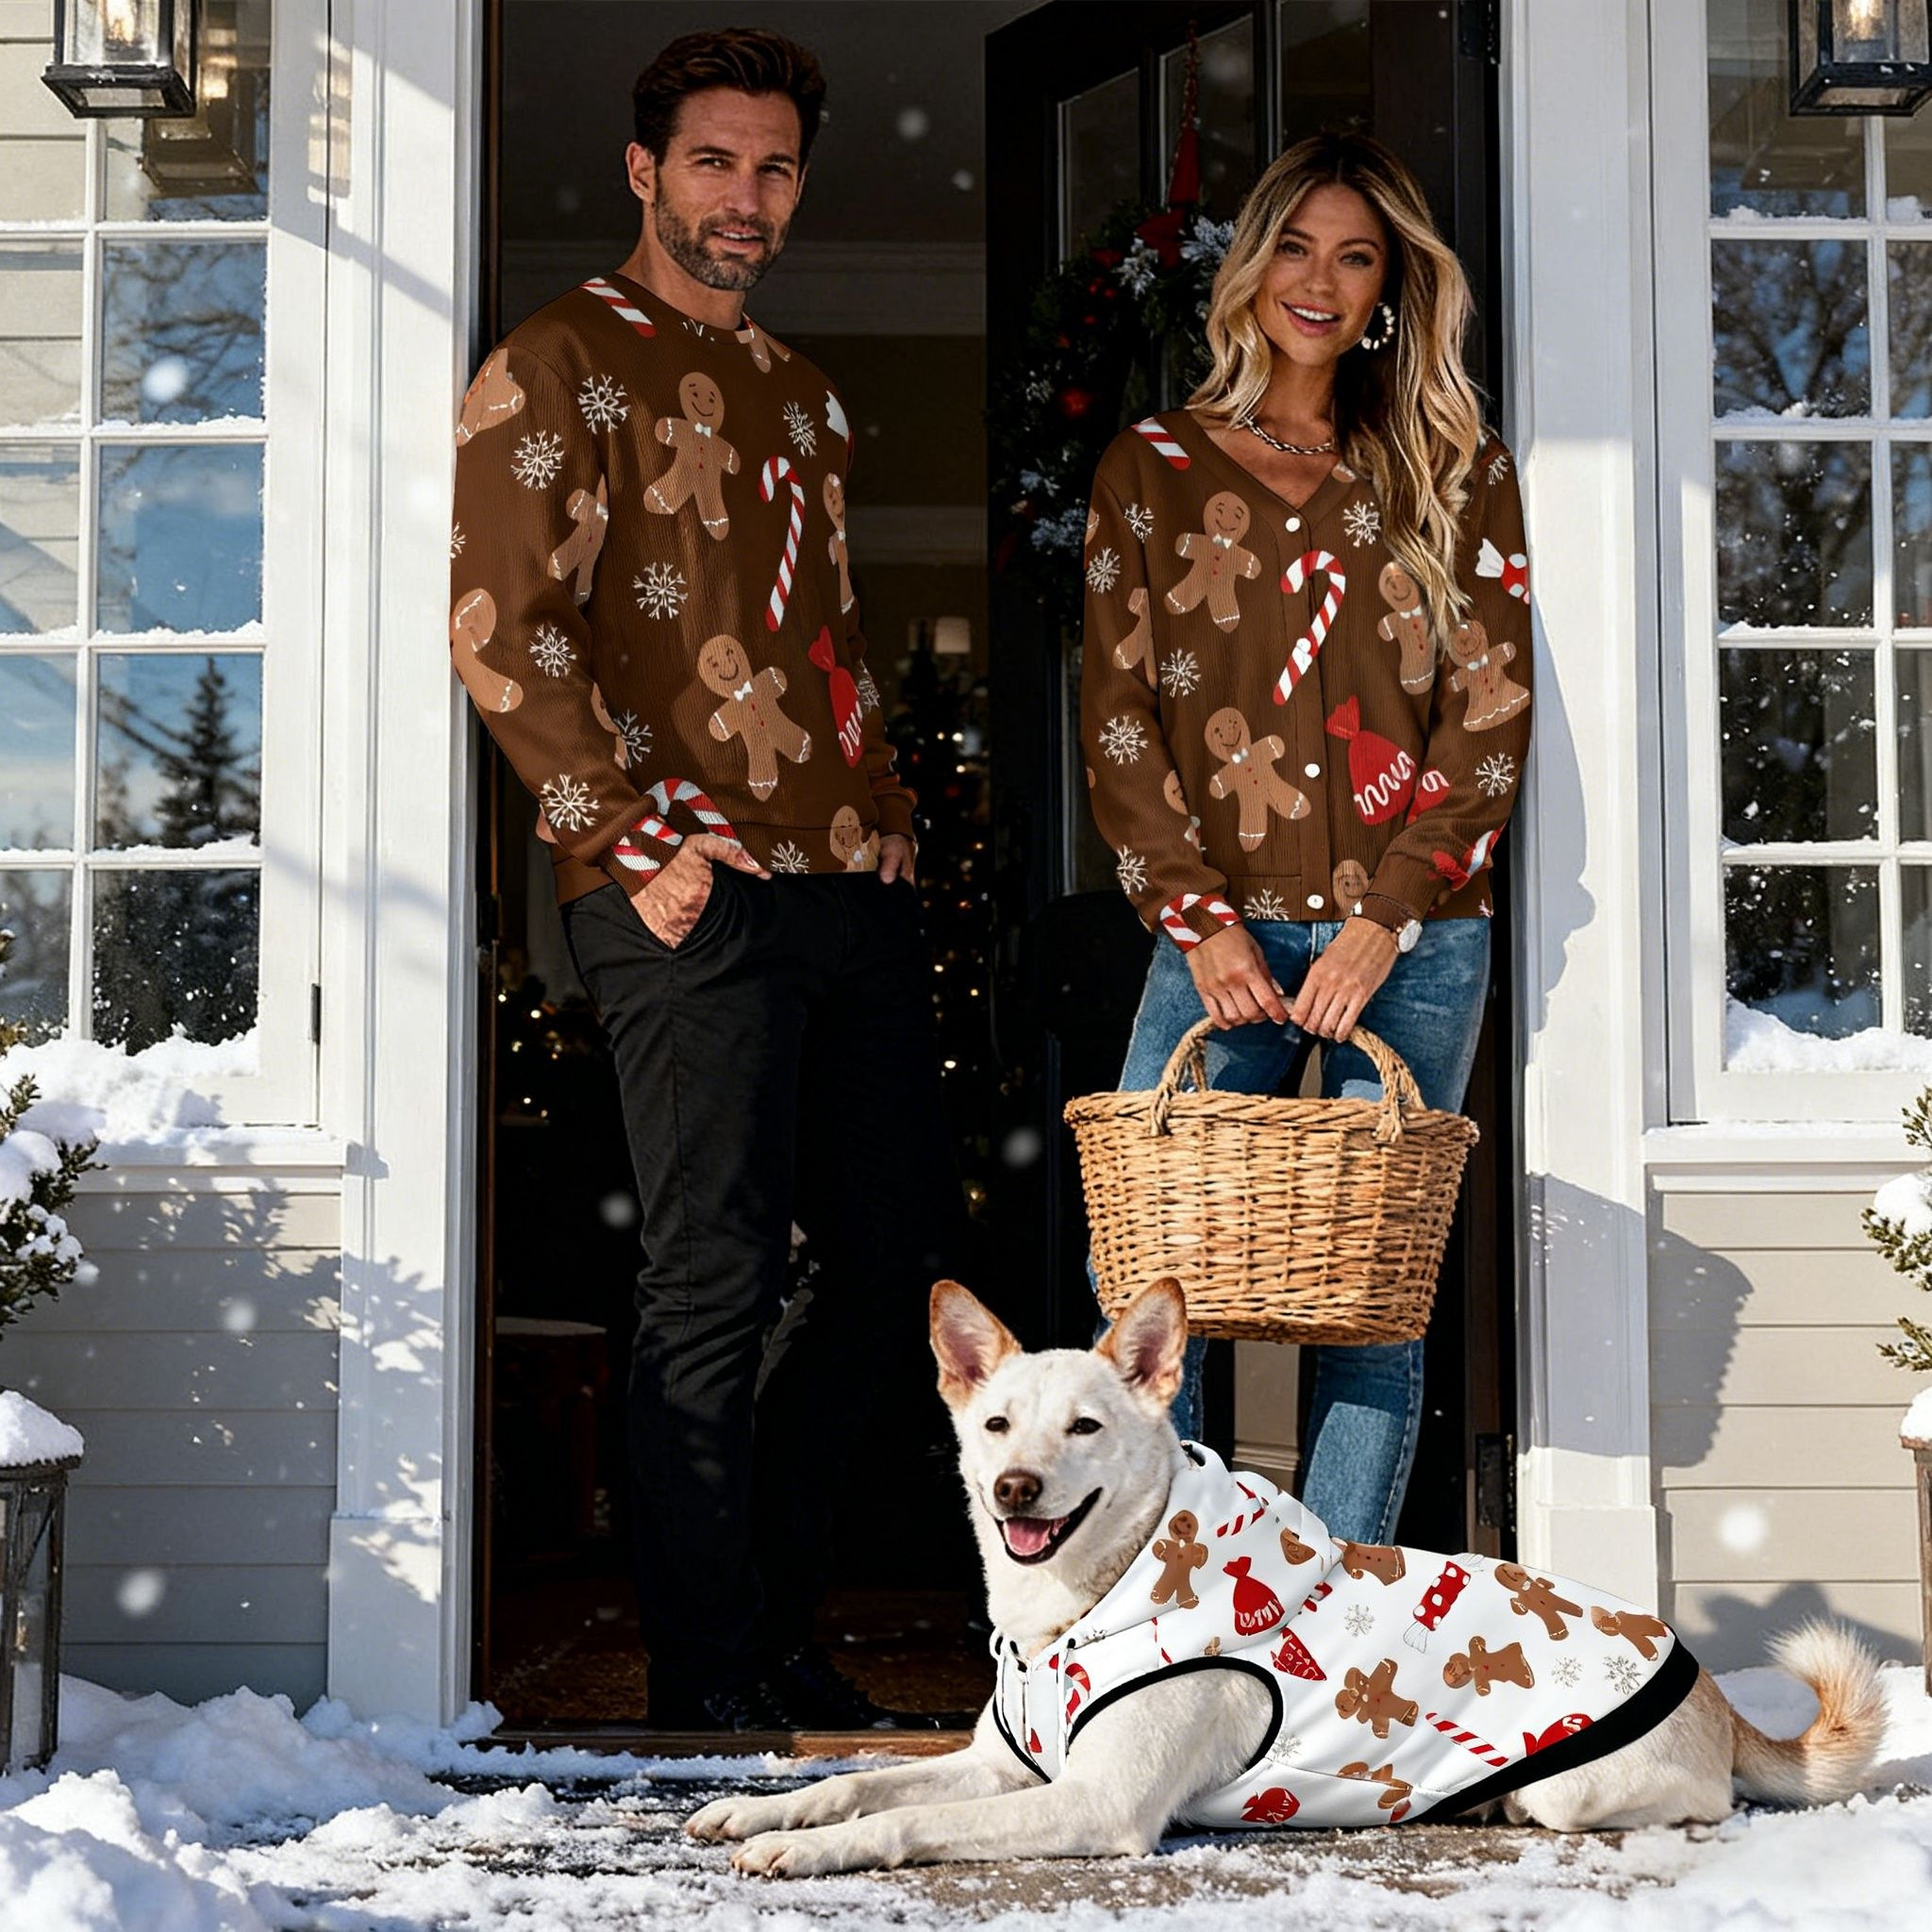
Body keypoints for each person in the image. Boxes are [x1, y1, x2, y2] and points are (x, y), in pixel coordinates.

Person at [448, 28, 965, 1730]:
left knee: (890, 1267)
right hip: (682, 887)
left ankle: (782, 1615)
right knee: (713, 1275)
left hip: (846, 882)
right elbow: (503, 634)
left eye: (775, 168)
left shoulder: (807, 396)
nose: (747, 198)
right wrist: (636, 838)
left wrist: (887, 798)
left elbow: (831, 637)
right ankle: (704, 1668)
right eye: (715, 162)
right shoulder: (555, 361)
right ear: (644, 172)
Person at [1078, 131, 1531, 1546]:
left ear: (1393, 289)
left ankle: (1327, 1619)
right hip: (1213, 935)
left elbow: (1489, 707)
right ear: (1251, 264)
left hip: (1413, 937)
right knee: (1158, 1294)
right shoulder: (1149, 470)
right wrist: (1198, 921)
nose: (1321, 282)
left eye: (1357, 256)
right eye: (1296, 246)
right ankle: (1185, 1603)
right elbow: (1117, 720)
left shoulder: (1451, 471)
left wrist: (1390, 912)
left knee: (1373, 1310)